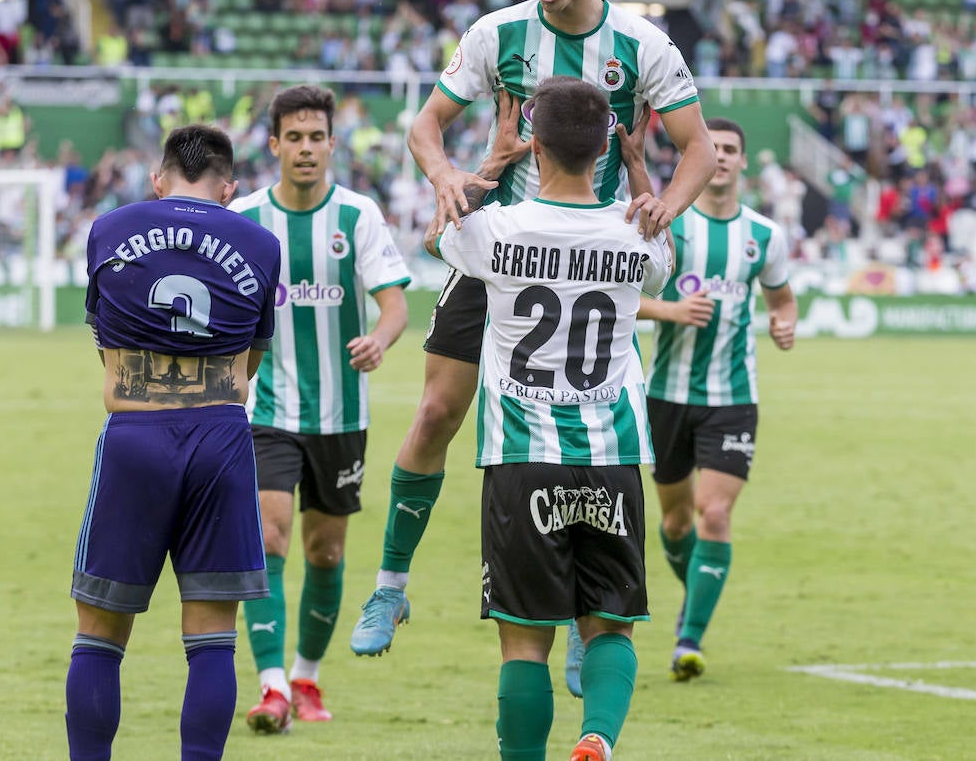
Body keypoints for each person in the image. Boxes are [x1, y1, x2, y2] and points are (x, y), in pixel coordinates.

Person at [350, 0, 716, 657]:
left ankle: (589, 619)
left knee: (593, 437)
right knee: (435, 415)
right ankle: (389, 588)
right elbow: (424, 125)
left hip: (593, 261)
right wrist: (446, 175)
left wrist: (666, 208)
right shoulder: (498, 34)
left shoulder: (643, 47)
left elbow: (700, 147)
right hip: (500, 253)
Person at [428, 77, 673, 761]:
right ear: (605, 149)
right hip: (611, 453)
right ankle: (596, 736)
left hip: (521, 457)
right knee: (611, 627)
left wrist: (492, 164)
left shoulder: (499, 229)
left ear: (534, 143)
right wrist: (642, 175)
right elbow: (660, 262)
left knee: (525, 641)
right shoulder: (635, 235)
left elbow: (434, 238)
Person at [64, 124, 282, 761]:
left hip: (135, 430)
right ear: (230, 187)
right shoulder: (261, 243)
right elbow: (250, 366)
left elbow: (105, 345)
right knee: (212, 635)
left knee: (100, 631)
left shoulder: (109, 229)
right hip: (221, 435)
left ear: (158, 179)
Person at [229, 84, 411, 732]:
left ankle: (306, 675)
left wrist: (379, 340)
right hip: (268, 410)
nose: (305, 149)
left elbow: (394, 304)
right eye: (294, 138)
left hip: (341, 416)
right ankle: (272, 686)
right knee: (269, 536)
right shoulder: (245, 219)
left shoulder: (358, 216)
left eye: (316, 137)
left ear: (332, 144)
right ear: (274, 144)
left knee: (326, 553)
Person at [636, 117, 798, 682]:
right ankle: (697, 592)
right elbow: (624, 299)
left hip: (733, 397)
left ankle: (689, 638)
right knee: (677, 524)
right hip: (666, 395)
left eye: (732, 149)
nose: (723, 157)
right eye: (715, 149)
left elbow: (782, 299)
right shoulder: (669, 229)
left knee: (715, 512)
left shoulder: (765, 236)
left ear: (744, 161)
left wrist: (783, 323)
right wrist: (672, 311)